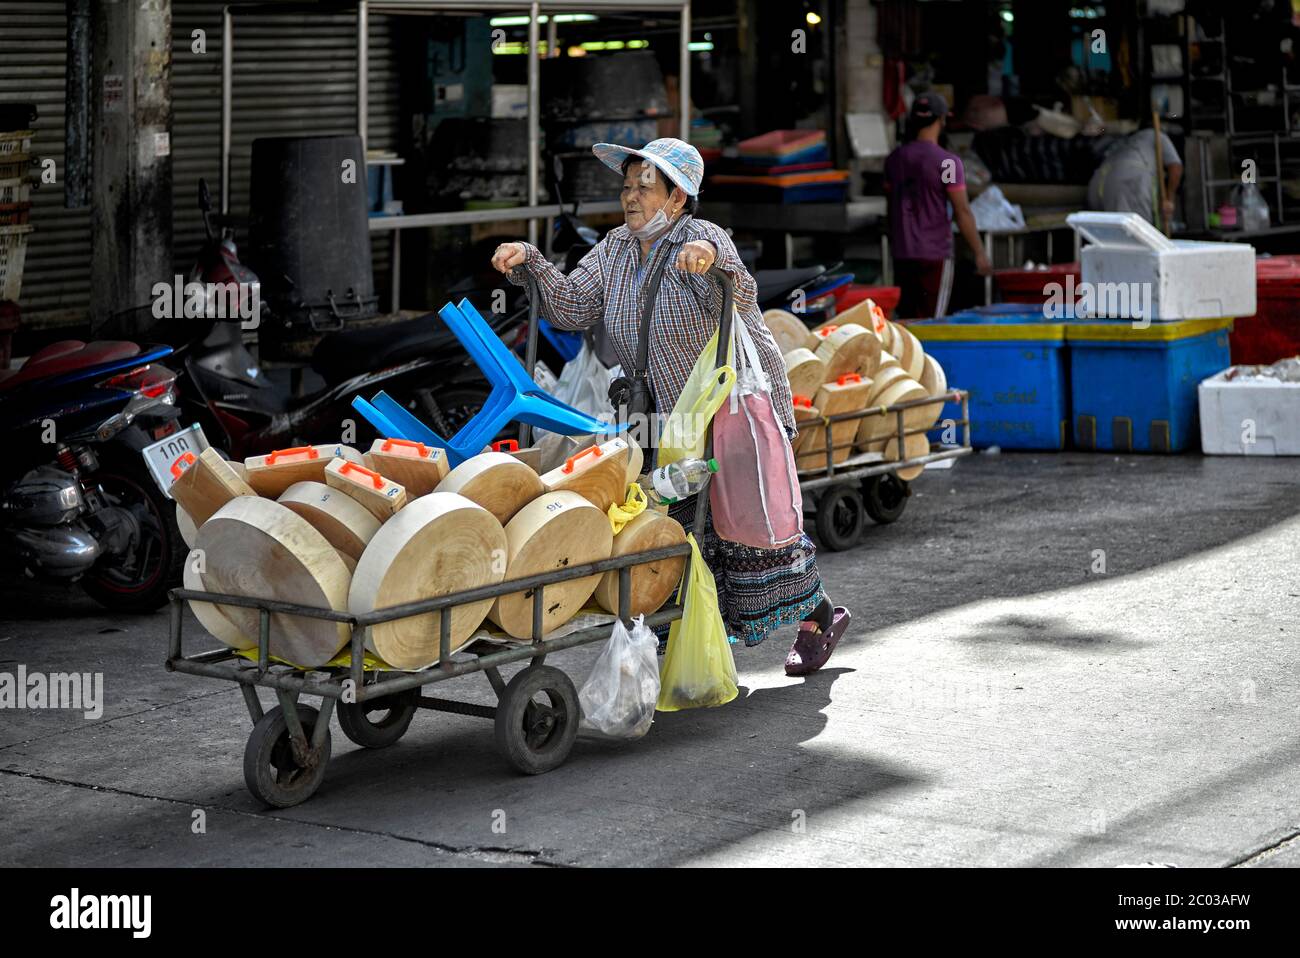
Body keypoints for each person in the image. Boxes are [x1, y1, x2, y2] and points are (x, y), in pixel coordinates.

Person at [491, 137, 850, 676]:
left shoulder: (701, 237)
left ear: (678, 198)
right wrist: (532, 264)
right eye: (627, 184)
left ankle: (820, 615)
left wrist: (709, 264)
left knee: (750, 525)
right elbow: (570, 306)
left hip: (723, 407)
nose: (630, 195)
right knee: (669, 519)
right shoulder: (615, 246)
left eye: (644, 186)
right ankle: (678, 640)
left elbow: (742, 291)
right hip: (655, 409)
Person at [884, 93, 991, 319]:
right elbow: (962, 211)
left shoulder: (895, 159)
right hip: (934, 254)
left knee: (906, 321)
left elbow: (890, 203)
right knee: (932, 321)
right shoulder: (948, 162)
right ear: (942, 120)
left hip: (903, 253)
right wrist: (979, 253)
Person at [1087, 125, 1183, 231]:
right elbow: (1175, 168)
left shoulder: (1126, 139)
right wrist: (1169, 200)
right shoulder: (1157, 134)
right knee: (1137, 233)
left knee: (1108, 234)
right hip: (1128, 181)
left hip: (1098, 182)